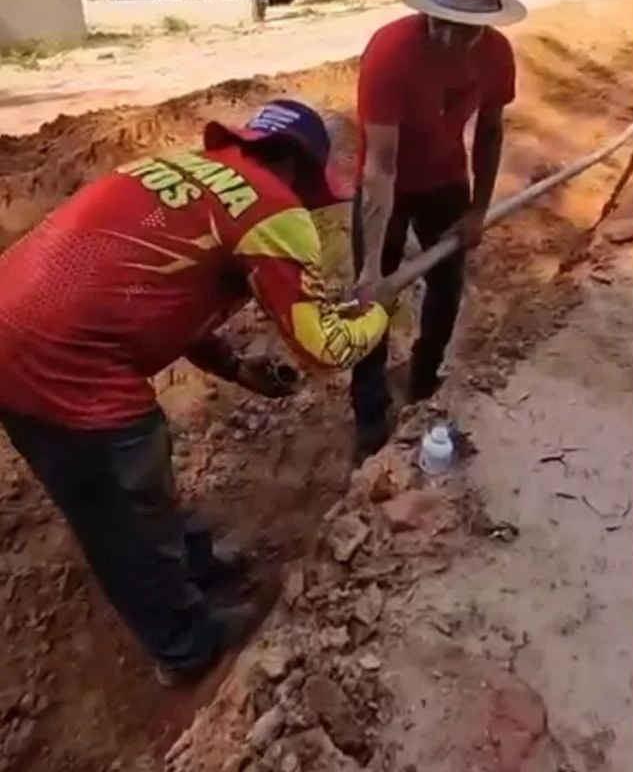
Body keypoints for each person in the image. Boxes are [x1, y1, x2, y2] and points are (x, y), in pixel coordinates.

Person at [0, 99, 396, 686]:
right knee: (122, 501)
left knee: (139, 490)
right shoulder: (273, 208)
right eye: (313, 188)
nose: (311, 203)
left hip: (20, 325)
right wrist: (378, 313)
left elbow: (159, 294)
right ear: (295, 165)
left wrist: (236, 367)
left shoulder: (181, 172)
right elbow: (324, 348)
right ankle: (186, 645)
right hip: (59, 363)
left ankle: (193, 566)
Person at [350, 0, 525, 463]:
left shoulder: (497, 57)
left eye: (462, 27)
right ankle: (369, 412)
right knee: (370, 305)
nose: (447, 35)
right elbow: (380, 166)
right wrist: (371, 270)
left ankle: (424, 383)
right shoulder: (390, 53)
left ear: (487, 25)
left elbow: (491, 132)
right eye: (439, 21)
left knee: (447, 289)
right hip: (391, 184)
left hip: (447, 182)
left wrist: (476, 211)